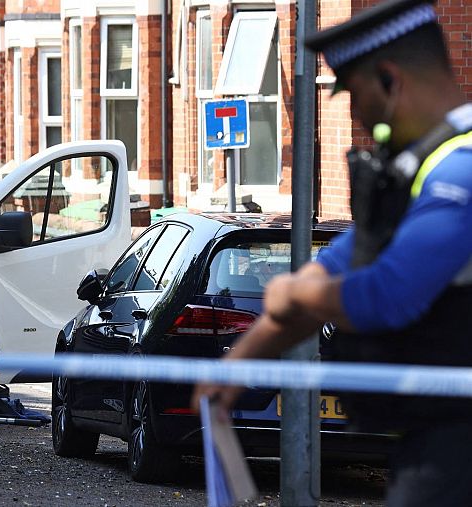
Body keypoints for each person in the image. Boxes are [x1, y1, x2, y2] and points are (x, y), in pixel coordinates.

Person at [191, 0, 472, 504]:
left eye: (357, 97)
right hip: (432, 441)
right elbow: (335, 270)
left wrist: (288, 291)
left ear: (390, 80)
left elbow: (389, 294)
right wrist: (235, 370)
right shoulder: (419, 169)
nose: (358, 118)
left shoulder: (461, 171)